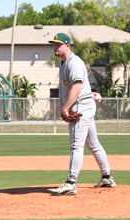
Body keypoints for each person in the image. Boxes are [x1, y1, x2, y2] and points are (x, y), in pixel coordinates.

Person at [48, 33, 116, 195]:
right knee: (93, 144)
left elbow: (76, 87)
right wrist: (90, 94)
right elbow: (79, 86)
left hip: (80, 109)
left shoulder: (74, 63)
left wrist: (65, 108)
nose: (55, 47)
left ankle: (71, 183)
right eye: (54, 44)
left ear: (67, 46)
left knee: (76, 145)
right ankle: (106, 177)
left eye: (59, 44)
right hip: (83, 105)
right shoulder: (63, 62)